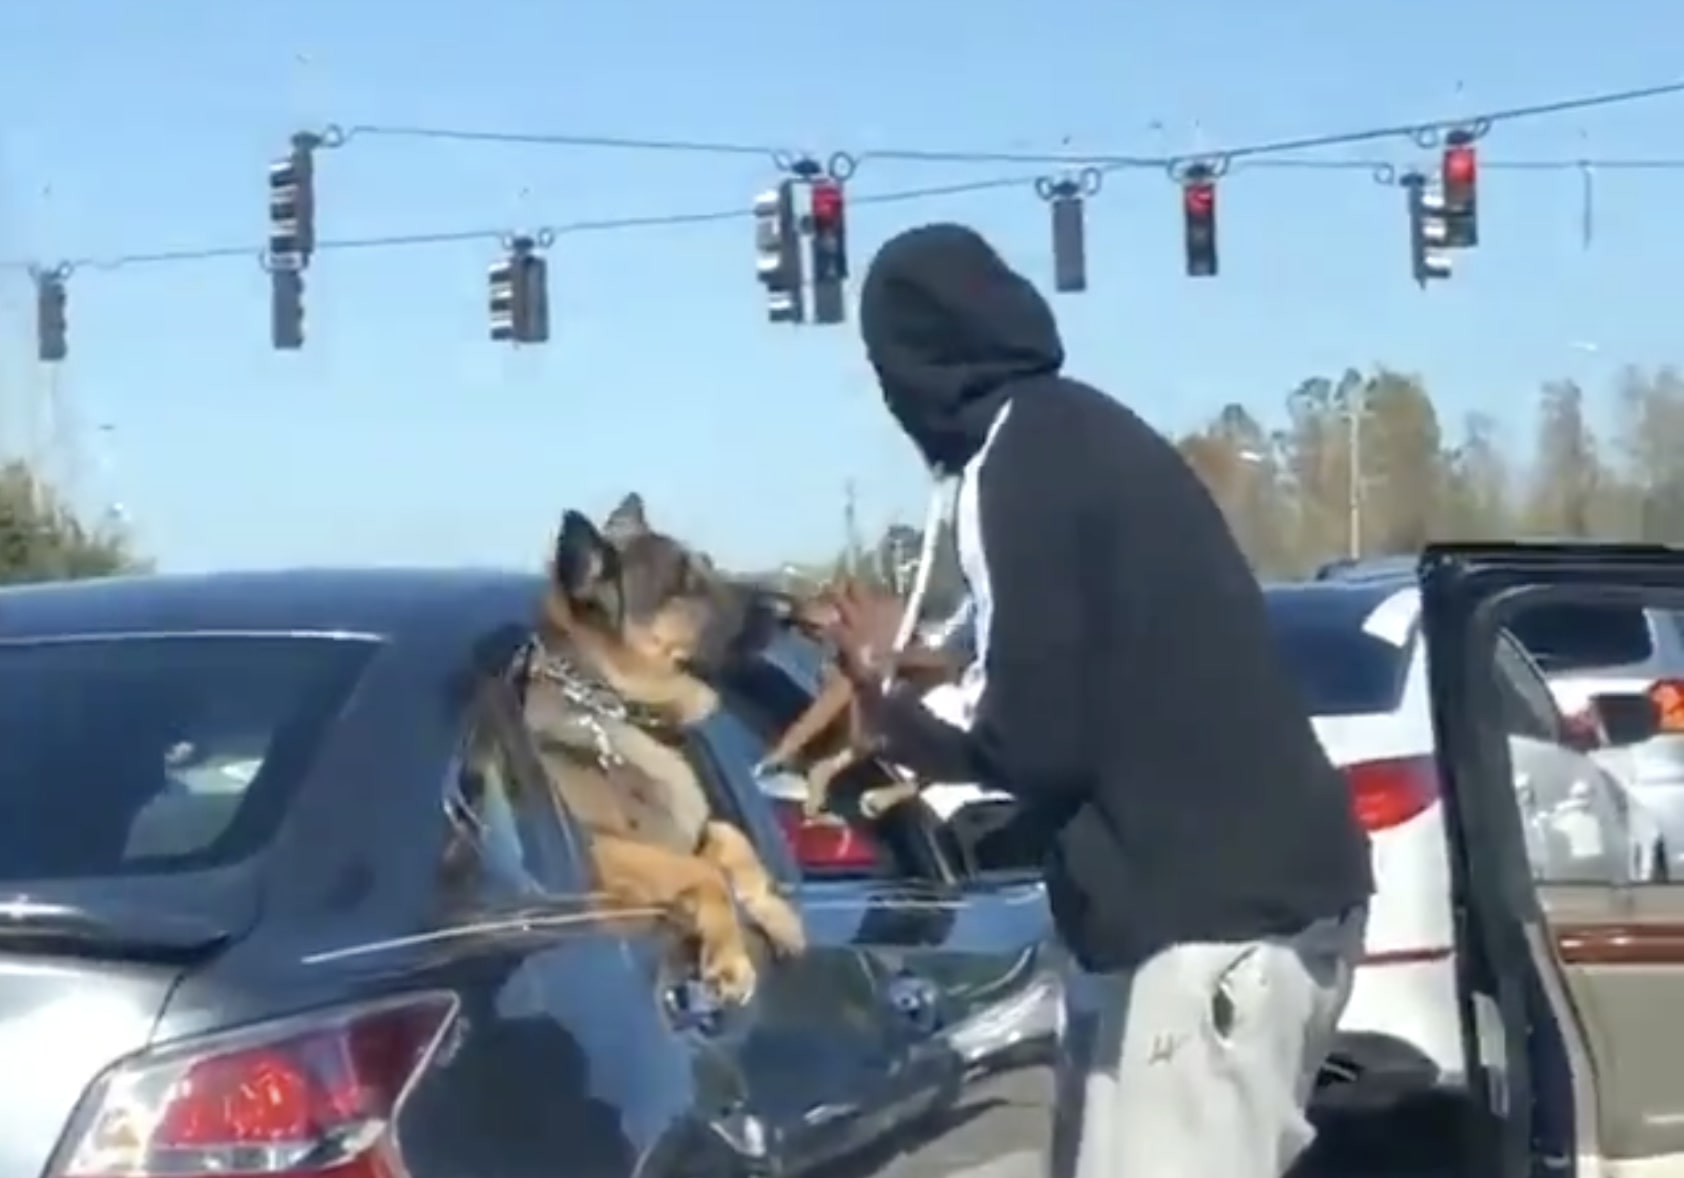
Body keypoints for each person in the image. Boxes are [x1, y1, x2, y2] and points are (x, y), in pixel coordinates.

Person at [823, 223, 1375, 1178]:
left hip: (1207, 931)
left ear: (917, 362)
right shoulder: (1075, 431)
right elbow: (1089, 671)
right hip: (1268, 910)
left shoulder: (1015, 464)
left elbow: (1035, 744)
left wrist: (887, 723)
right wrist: (928, 670)